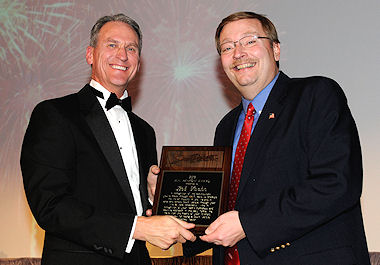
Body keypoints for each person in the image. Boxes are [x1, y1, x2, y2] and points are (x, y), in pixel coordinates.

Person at [183, 11, 370, 264]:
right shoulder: (225, 127)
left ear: (276, 50)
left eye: (250, 41)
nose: (238, 53)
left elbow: (337, 183)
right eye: (227, 47)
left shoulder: (316, 95)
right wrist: (171, 202)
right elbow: (222, 211)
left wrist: (248, 224)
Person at [20, 14, 195, 265]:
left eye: (131, 48)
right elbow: (50, 206)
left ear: (138, 61)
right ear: (90, 54)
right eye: (112, 45)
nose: (122, 55)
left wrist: (154, 198)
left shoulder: (145, 131)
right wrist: (137, 229)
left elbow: (131, 203)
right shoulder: (55, 114)